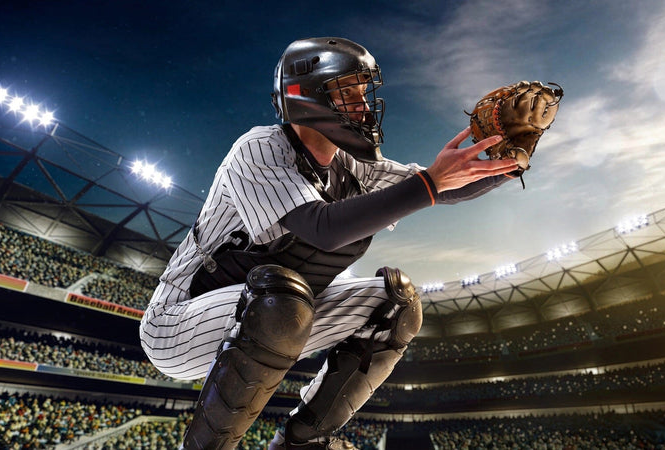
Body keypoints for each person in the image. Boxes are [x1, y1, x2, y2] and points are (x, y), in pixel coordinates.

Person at [139, 37, 517, 450]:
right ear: (308, 97)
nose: (366, 105)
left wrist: (507, 161)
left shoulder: (353, 165)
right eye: (349, 92)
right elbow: (321, 227)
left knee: (397, 303)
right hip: (176, 325)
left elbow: (440, 188)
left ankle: (300, 441)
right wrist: (429, 182)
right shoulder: (259, 149)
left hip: (269, 310)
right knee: (278, 298)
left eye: (364, 91)